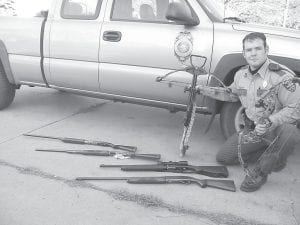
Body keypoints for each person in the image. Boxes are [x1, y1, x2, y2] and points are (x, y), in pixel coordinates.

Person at [216, 32, 300, 192]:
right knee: (223, 157)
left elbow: (296, 108)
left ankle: (261, 171)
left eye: (257, 48)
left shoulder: (281, 77)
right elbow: (231, 93)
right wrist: (202, 90)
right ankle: (274, 156)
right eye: (248, 50)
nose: (253, 53)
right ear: (244, 53)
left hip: (274, 130)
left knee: (291, 132)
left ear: (266, 50)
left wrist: (270, 121)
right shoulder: (240, 75)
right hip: (253, 130)